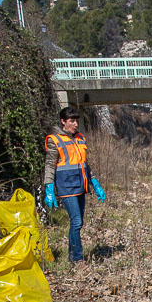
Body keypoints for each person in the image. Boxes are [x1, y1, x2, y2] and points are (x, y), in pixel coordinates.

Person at [42, 107, 106, 265]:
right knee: (76, 221)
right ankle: (77, 258)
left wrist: (95, 183)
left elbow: (85, 165)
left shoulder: (80, 139)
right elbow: (50, 165)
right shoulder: (55, 140)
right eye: (72, 121)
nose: (75, 124)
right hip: (66, 187)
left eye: (76, 120)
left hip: (80, 185)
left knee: (79, 223)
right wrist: (49, 187)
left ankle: (73, 254)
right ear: (63, 122)